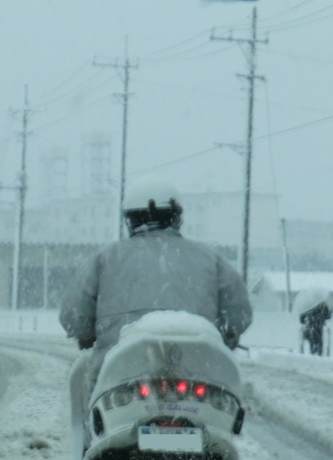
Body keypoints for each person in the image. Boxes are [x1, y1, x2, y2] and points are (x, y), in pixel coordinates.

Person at [59, 175, 252, 429]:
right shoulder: (211, 259)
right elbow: (239, 314)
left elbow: (74, 317)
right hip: (199, 377)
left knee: (94, 420)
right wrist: (225, 337)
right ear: (176, 217)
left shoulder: (105, 259)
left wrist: (87, 335)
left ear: (130, 219)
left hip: (120, 378)